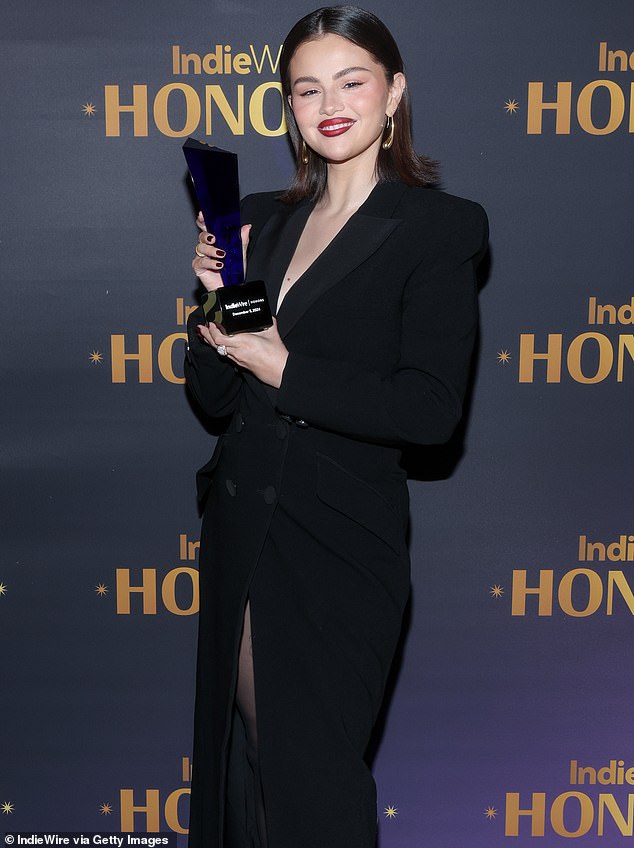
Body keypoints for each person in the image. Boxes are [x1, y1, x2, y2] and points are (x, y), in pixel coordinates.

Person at [185, 6, 488, 847]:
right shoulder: (257, 217)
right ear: (287, 106)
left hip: (341, 542)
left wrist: (284, 367)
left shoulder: (438, 226)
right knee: (248, 764)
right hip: (244, 526)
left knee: (312, 776)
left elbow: (429, 411)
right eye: (306, 88)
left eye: (352, 81)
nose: (330, 103)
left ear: (394, 91)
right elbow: (212, 396)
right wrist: (211, 304)